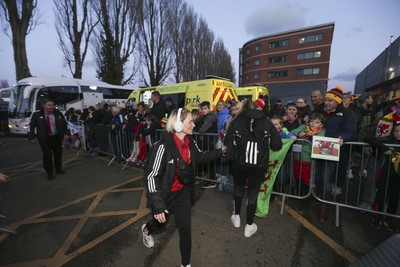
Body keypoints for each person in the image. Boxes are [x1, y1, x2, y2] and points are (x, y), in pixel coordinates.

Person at [141, 108, 226, 267]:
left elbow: (199, 157)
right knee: (159, 223)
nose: (194, 125)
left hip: (183, 194)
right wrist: (158, 205)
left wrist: (220, 152)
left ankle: (185, 264)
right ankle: (146, 229)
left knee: (185, 231)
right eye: (190, 122)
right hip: (165, 196)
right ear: (179, 125)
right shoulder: (162, 147)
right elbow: (152, 177)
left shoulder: (190, 141)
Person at [224, 100, 282, 237]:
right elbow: (277, 145)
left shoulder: (237, 121)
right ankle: (249, 226)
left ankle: (236, 217)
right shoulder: (267, 122)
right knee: (253, 193)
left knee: (238, 188)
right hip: (259, 165)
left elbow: (227, 140)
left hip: (238, 163)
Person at [313, 86, 358, 222]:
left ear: (337, 102)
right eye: (326, 100)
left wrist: (343, 138)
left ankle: (324, 206)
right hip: (315, 147)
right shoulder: (319, 109)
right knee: (317, 177)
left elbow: (351, 131)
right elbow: (311, 121)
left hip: (331, 150)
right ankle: (319, 197)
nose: (326, 103)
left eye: (330, 101)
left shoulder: (348, 114)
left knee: (326, 178)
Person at [366, 123, 400, 232]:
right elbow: (368, 138)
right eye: (396, 131)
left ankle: (389, 219)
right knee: (380, 196)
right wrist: (384, 148)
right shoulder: (388, 140)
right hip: (385, 174)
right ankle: (377, 217)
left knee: (394, 198)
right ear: (392, 131)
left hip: (398, 177)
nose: (398, 134)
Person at [28, 99, 70, 180]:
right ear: (44, 106)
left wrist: (67, 133)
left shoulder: (58, 113)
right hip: (44, 139)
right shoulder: (37, 115)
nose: (51, 107)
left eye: (52, 105)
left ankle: (58, 169)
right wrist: (31, 137)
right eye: (49, 105)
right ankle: (49, 172)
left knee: (58, 154)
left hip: (56, 137)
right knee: (47, 155)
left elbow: (65, 124)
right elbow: (31, 126)